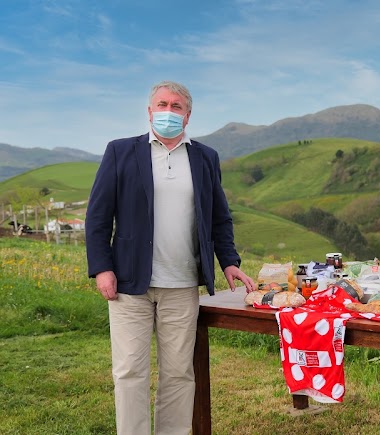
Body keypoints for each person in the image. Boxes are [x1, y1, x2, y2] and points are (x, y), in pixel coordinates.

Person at [86, 80, 256, 434]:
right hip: (129, 283)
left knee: (179, 373)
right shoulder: (120, 152)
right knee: (130, 370)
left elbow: (219, 217)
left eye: (176, 106)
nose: (168, 110)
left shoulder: (205, 157)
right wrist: (102, 267)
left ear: (188, 115)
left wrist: (229, 261)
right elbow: (98, 217)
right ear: (149, 112)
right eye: (161, 104)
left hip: (181, 285)